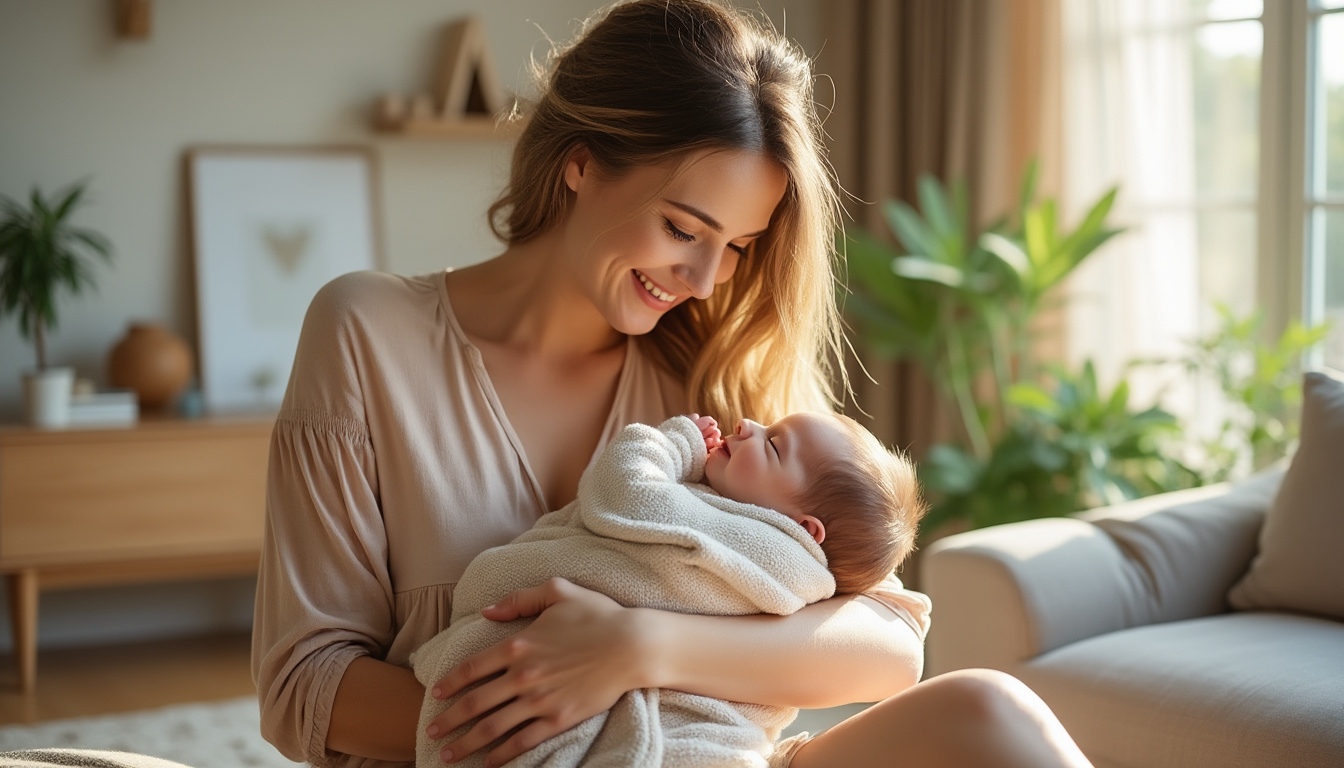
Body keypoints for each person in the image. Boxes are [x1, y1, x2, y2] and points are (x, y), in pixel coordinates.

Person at [251, 1, 1097, 767]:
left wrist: (637, 649)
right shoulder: (367, 331)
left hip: (704, 753)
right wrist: (557, 715)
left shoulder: (716, 373)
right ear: (581, 163)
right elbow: (303, 688)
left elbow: (889, 647)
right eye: (683, 228)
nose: (704, 280)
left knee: (991, 711)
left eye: (737, 247)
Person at [410, 411, 926, 767]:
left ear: (804, 529)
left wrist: (676, 442)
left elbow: (626, 493)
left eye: (772, 444)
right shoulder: (810, 585)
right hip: (706, 743)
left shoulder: (734, 538)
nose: (747, 425)